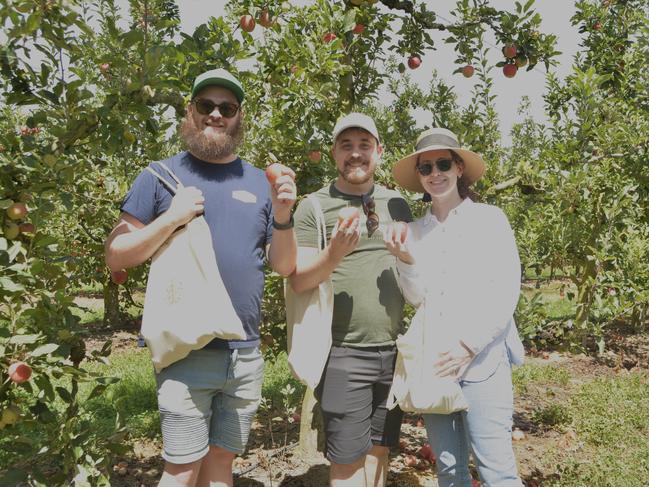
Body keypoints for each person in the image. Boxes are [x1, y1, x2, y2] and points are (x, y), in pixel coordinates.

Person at [104, 68, 297, 487]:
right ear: (190, 112)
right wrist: (172, 218)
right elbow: (116, 255)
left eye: (226, 108)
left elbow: (283, 266)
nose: (215, 114)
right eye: (206, 105)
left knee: (221, 462)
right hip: (186, 351)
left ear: (238, 117)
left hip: (244, 353)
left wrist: (283, 216)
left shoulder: (258, 181)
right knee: (181, 469)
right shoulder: (158, 176)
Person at [385, 127, 525, 487]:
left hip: (484, 359)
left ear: (459, 167)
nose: (435, 174)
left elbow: (505, 292)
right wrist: (404, 259)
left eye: (443, 163)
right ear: (419, 177)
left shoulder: (490, 219)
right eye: (426, 168)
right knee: (449, 469)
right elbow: (418, 298)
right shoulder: (414, 231)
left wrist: (468, 345)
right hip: (436, 362)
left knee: (496, 469)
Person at [290, 113, 412, 487]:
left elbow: (411, 270)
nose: (355, 154)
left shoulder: (397, 205)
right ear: (333, 153)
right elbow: (299, 281)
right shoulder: (313, 206)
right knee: (347, 463)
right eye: (346, 146)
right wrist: (335, 254)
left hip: (392, 350)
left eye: (363, 146)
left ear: (379, 152)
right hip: (343, 352)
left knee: (379, 449)